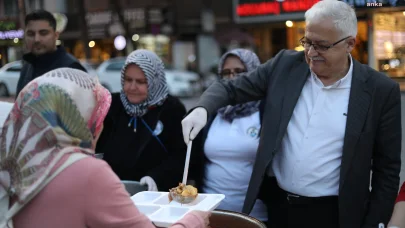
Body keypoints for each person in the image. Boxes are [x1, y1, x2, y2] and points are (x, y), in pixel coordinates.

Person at [181, 0, 402, 227]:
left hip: (336, 214)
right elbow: (231, 87)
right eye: (307, 42)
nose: (311, 52)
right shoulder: (285, 66)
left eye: (322, 46)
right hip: (279, 207)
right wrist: (202, 109)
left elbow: (388, 169)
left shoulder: (380, 91)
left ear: (349, 44)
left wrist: (376, 223)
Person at [0, 68, 210, 228]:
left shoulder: (18, 165)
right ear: (76, 118)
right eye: (96, 115)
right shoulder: (86, 173)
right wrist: (194, 220)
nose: (99, 124)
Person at [190, 49, 267, 223]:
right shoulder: (211, 112)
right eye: (226, 73)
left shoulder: (266, 111)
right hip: (210, 214)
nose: (233, 78)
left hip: (254, 216)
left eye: (240, 72)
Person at [96, 49, 187, 192]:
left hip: (154, 195)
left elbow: (181, 157)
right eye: (128, 80)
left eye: (141, 81)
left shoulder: (171, 109)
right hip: (113, 192)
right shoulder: (112, 105)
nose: (132, 87)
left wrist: (156, 177)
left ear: (154, 80)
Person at [16, 10, 86, 96]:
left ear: (56, 35)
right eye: (31, 34)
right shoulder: (27, 67)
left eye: (43, 33)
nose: (36, 39)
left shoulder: (71, 67)